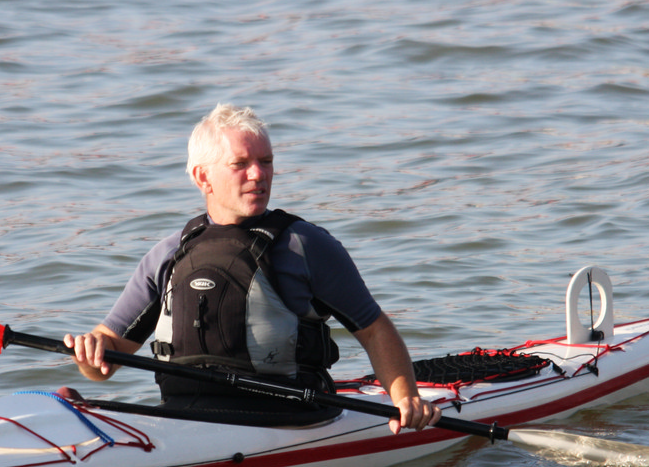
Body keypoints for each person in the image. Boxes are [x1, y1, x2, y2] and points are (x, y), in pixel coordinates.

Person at [64, 103, 440, 434]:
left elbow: (374, 330)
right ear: (203, 177)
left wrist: (405, 399)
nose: (258, 174)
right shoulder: (168, 256)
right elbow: (102, 365)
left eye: (266, 161)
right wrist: (91, 352)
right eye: (240, 164)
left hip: (292, 423)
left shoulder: (306, 246)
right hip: (183, 423)